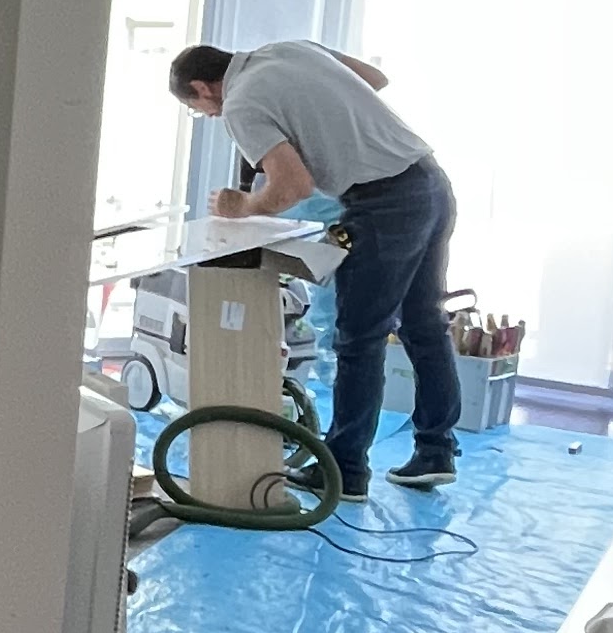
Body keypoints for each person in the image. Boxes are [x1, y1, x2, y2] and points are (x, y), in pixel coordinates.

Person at [166, 36, 461, 503]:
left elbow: (293, 187)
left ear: (203, 88)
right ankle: (436, 451)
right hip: (429, 183)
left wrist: (242, 205)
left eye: (197, 109)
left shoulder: (241, 104)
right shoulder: (293, 49)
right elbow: (375, 79)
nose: (209, 116)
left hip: (382, 204)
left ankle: (344, 472)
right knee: (425, 324)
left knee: (359, 338)